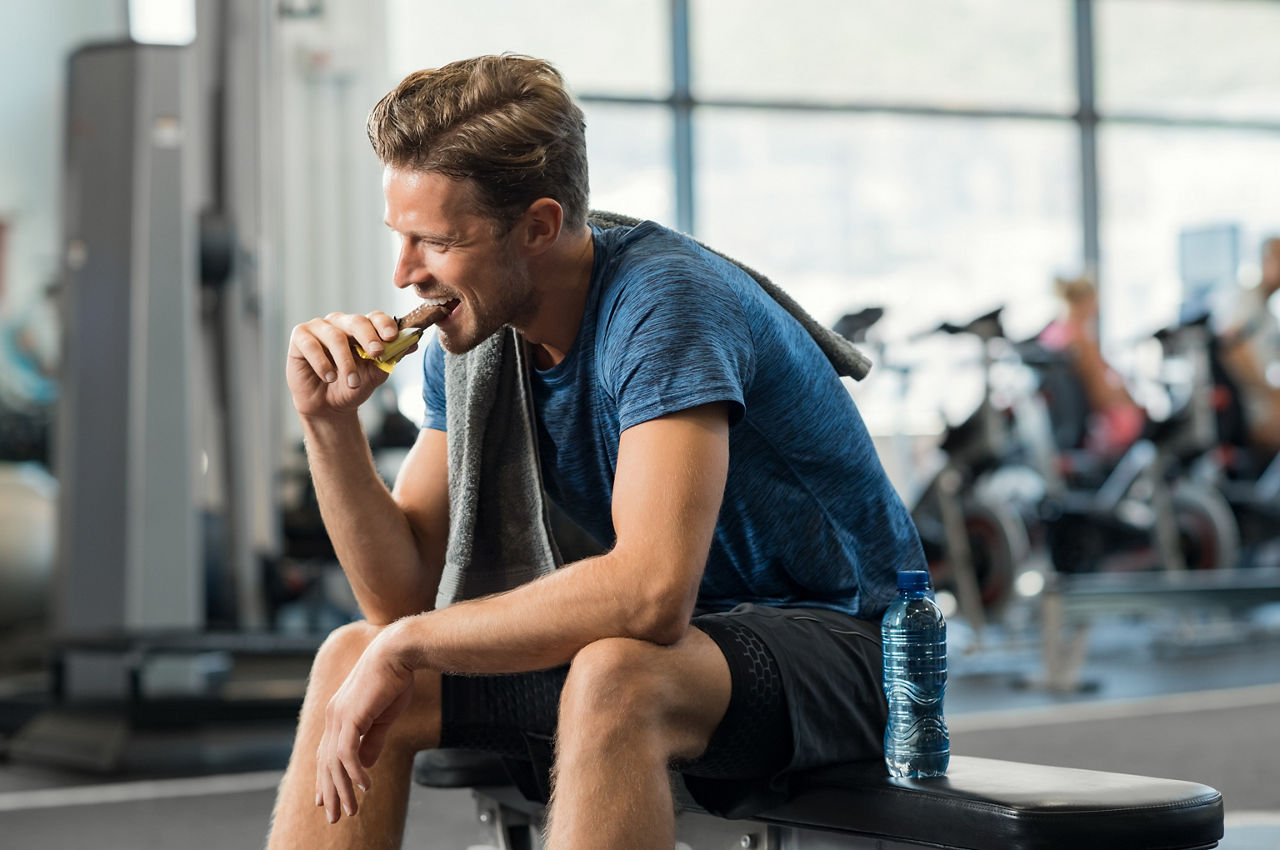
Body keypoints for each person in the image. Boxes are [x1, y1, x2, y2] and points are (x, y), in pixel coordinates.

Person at [267, 54, 924, 849]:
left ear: (539, 227)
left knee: (618, 676)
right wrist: (328, 426)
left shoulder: (666, 305)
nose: (406, 274)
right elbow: (398, 600)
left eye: (434, 242)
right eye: (400, 237)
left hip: (859, 648)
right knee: (352, 653)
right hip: (696, 644)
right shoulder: (472, 333)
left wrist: (409, 644)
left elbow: (649, 595)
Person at [1038, 274, 1146, 458]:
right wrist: (1134, 404)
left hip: (1061, 426)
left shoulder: (1052, 333)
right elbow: (1099, 395)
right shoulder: (1080, 341)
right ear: (1088, 301)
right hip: (1096, 427)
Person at [1216, 236, 1280, 454]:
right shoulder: (1245, 300)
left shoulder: (1270, 316)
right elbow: (1233, 349)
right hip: (1247, 410)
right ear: (1265, 261)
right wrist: (1268, 395)